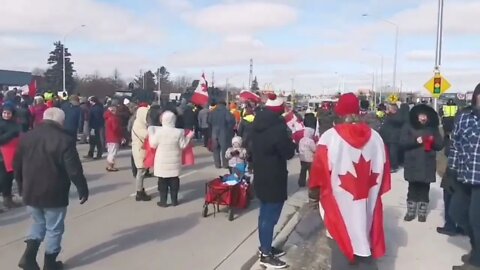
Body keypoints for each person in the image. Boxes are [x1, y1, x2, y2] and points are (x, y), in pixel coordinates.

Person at [310, 93, 391, 269]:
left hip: (338, 203)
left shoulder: (329, 138)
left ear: (339, 112)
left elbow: (318, 173)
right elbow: (384, 171)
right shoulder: (376, 138)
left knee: (340, 246)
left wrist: (314, 196)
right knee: (364, 239)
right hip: (366, 200)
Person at [14, 108, 89, 270]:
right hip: (54, 192)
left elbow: (17, 166)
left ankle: (28, 257)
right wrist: (82, 188)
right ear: (60, 121)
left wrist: (21, 186)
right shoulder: (64, 139)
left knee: (38, 222)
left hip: (31, 189)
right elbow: (74, 169)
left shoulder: (26, 137)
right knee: (54, 228)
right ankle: (50, 263)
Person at [252, 94, 296, 269]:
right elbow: (287, 152)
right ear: (278, 109)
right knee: (270, 216)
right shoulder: (278, 127)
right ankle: (265, 254)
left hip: (261, 173)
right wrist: (291, 140)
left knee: (265, 213)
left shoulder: (258, 122)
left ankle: (265, 246)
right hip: (274, 175)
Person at [449, 83, 480, 270]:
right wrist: (451, 172)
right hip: (464, 176)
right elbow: (455, 145)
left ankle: (476, 263)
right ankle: (476, 249)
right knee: (457, 213)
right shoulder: (464, 118)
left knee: (477, 219)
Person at [400, 104, 443, 222]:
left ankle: (422, 213)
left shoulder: (433, 128)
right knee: (412, 188)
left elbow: (440, 145)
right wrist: (415, 141)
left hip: (427, 163)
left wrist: (433, 142)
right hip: (412, 162)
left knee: (424, 188)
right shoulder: (408, 126)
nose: (423, 118)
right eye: (421, 116)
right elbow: (402, 143)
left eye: (425, 116)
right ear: (416, 116)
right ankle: (410, 212)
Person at [148, 111, 193, 207]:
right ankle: (174, 201)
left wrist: (151, 133)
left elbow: (153, 144)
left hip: (161, 160)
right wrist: (188, 137)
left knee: (162, 182)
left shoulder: (159, 132)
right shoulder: (179, 132)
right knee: (174, 181)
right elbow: (183, 145)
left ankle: (163, 201)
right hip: (174, 160)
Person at [0, 103, 22, 209]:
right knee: (4, 178)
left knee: (9, 178)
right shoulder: (1, 123)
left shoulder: (15, 123)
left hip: (13, 153)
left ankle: (8, 198)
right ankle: (6, 198)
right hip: (2, 156)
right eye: (4, 113)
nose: (6, 115)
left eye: (8, 113)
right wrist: (11, 134)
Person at [131, 104, 152, 201]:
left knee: (142, 171)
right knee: (141, 172)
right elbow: (146, 135)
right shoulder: (138, 125)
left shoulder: (141, 123)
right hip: (139, 150)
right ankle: (139, 192)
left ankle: (140, 190)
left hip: (141, 149)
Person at [208, 101, 236, 169]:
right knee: (224, 149)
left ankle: (217, 164)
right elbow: (231, 121)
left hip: (214, 132)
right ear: (224, 105)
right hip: (224, 132)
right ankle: (225, 164)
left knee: (216, 148)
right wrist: (229, 129)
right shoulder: (226, 112)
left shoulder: (212, 112)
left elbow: (209, 121)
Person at [379, 103, 403, 173]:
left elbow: (397, 121)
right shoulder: (388, 116)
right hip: (387, 136)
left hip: (394, 137)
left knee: (393, 153)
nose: (388, 109)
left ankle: (394, 166)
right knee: (388, 152)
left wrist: (389, 114)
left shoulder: (398, 115)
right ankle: (389, 165)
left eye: (389, 108)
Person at [104, 104, 123, 172]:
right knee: (113, 152)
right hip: (114, 138)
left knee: (110, 152)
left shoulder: (107, 118)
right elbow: (116, 129)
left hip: (109, 138)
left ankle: (109, 165)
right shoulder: (113, 118)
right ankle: (110, 166)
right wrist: (121, 136)